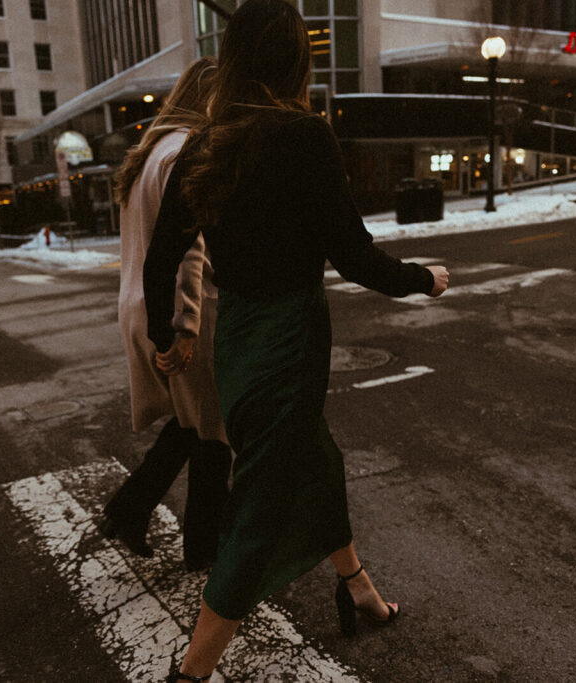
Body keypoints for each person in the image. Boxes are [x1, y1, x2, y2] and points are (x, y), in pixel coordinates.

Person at [143, 1, 450, 680]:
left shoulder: (206, 143)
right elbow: (354, 256)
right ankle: (191, 673)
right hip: (291, 341)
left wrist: (164, 334)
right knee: (258, 509)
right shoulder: (305, 136)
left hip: (239, 342)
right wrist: (425, 278)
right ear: (294, 60)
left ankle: (358, 587)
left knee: (316, 459)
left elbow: (160, 259)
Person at [100, 57, 232, 571]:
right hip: (177, 310)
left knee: (188, 421)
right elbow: (188, 248)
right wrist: (186, 325)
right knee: (213, 430)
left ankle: (128, 510)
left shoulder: (151, 152)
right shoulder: (185, 153)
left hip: (138, 305)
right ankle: (205, 550)